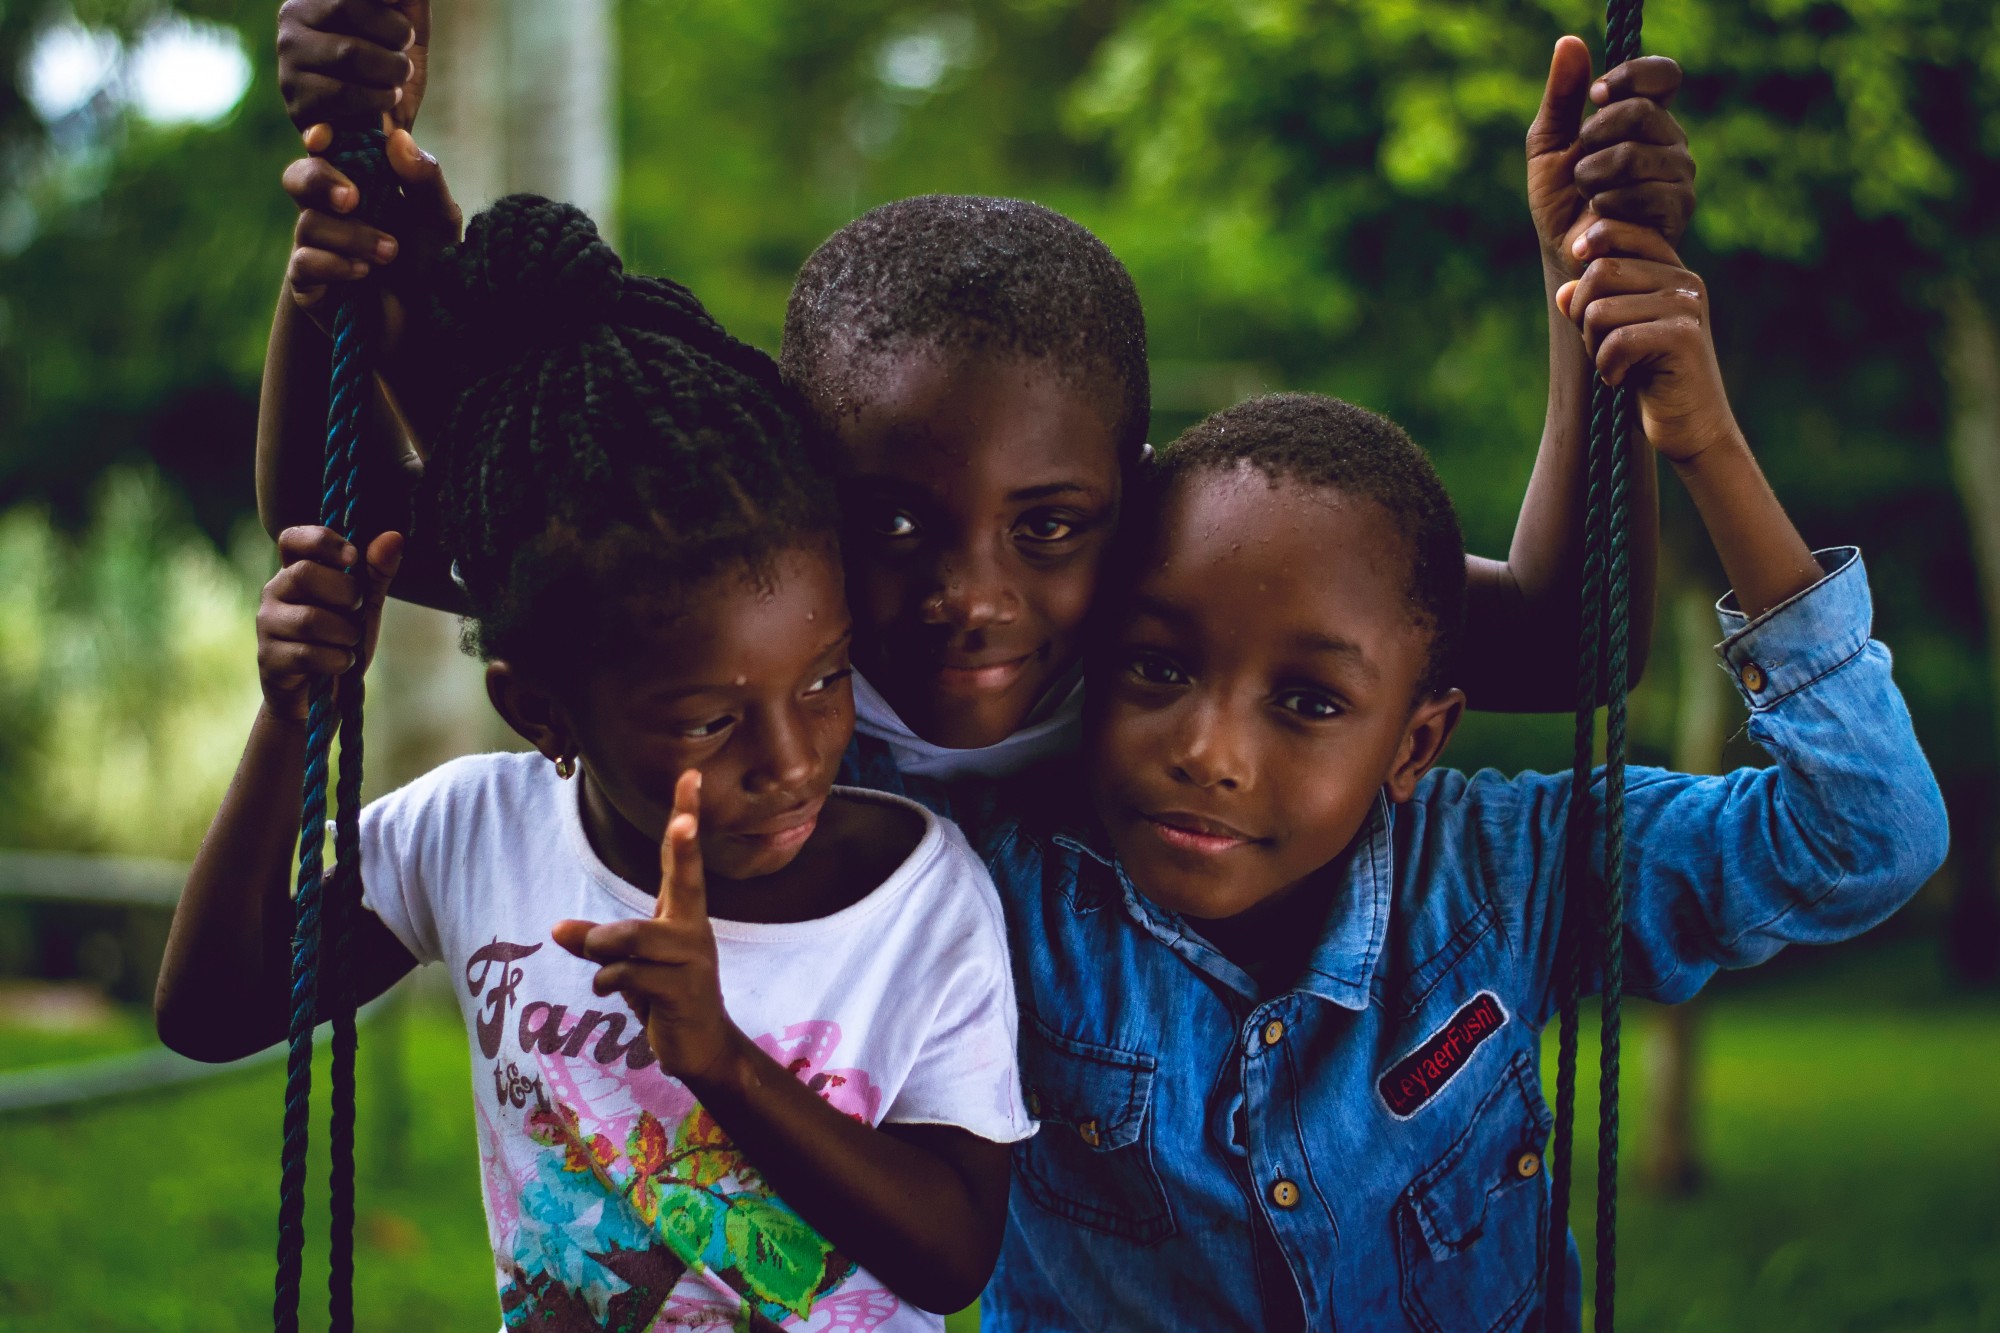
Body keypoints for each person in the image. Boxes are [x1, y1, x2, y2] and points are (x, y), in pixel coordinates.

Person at [255, 12, 1694, 786]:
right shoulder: (737, 593)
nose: (973, 595)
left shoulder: (1183, 587)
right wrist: (346, 236)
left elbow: (1574, 643)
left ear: (1132, 488)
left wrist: (1591, 303)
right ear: (808, 486)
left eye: (1053, 527)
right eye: (889, 523)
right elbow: (353, 523)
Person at [950, 232, 1949, 1328]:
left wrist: (1702, 442)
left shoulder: (1507, 876)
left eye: (1308, 702)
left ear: (1414, 745)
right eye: (1156, 667)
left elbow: (1862, 834)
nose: (1209, 751)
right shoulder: (998, 890)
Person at [155, 197, 1031, 1332]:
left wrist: (719, 1059)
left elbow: (953, 1254)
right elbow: (215, 1008)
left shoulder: (920, 898)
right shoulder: (478, 841)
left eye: (824, 677)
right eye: (709, 722)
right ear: (537, 710)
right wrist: (293, 722)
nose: (791, 756)